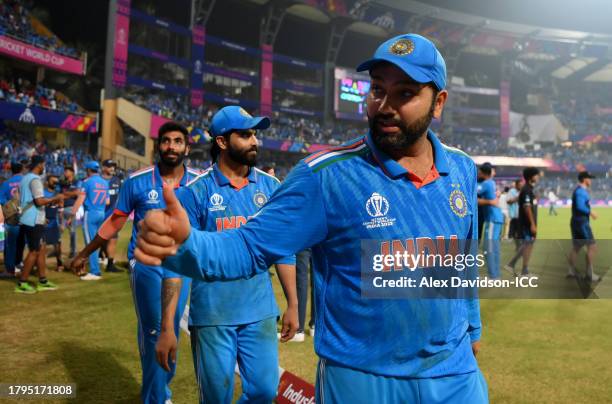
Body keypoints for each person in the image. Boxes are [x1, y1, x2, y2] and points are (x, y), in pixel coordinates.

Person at [135, 34, 487, 403]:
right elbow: (247, 247)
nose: (384, 106)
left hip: (455, 374)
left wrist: (472, 328)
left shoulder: (461, 168)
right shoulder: (326, 176)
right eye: (378, 89)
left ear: (439, 103)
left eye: (405, 93)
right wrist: (186, 244)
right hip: (362, 378)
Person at [156, 106, 299, 403]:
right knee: (215, 398)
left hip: (259, 311)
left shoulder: (272, 188)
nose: (255, 141)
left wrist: (293, 304)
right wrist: (168, 327)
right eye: (245, 135)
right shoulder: (195, 193)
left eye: (255, 135)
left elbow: (283, 251)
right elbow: (175, 265)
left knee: (263, 391)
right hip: (212, 314)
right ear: (222, 142)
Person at [71, 122, 199, 403]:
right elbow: (115, 221)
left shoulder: (199, 182)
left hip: (182, 266)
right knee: (155, 330)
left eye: (178, 141)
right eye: (166, 141)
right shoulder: (137, 181)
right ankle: (155, 398)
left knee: (171, 328)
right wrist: (84, 252)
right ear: (158, 146)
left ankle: (162, 391)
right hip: (146, 265)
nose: (171, 146)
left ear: (187, 148)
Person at [15, 155, 63, 294]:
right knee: (35, 251)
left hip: (29, 218)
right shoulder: (35, 180)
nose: (44, 167)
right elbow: (39, 201)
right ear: (39, 165)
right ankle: (22, 283)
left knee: (41, 249)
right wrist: (55, 198)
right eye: (43, 164)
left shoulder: (25, 178)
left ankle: (42, 280)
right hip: (33, 220)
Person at [71, 161, 109, 280]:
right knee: (96, 243)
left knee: (90, 244)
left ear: (88, 170)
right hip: (101, 213)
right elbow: (107, 201)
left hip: (91, 214)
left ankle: (95, 272)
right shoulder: (104, 182)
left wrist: (72, 214)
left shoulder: (87, 182)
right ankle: (94, 268)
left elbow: (80, 199)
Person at [504, 167, 540, 277]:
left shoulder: (528, 189)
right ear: (531, 177)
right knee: (527, 244)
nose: (538, 177)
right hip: (526, 224)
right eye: (536, 175)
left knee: (528, 245)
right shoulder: (527, 190)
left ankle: (523, 269)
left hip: (527, 223)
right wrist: (533, 224)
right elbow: (527, 208)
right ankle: (512, 265)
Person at [567, 171, 599, 281]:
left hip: (576, 222)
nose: (590, 180)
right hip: (582, 223)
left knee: (576, 247)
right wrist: (591, 212)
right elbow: (581, 207)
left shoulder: (578, 190)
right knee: (592, 246)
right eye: (589, 178)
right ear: (585, 179)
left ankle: (571, 271)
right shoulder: (581, 192)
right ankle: (590, 274)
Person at [478, 164, 503, 279]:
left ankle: (493, 276)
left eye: (480, 171)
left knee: (489, 247)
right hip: (496, 218)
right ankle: (495, 274)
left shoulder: (486, 184)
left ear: (483, 172)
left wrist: (488, 201)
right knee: (495, 247)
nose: (478, 173)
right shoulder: (492, 183)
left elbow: (471, 196)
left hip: (492, 218)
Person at [0, 161, 24, 275]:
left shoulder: (6, 183)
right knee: (22, 241)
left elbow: (1, 201)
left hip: (11, 216)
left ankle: (10, 269)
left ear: (11, 170)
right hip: (26, 215)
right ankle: (18, 263)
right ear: (22, 169)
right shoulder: (26, 181)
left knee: (10, 244)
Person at [101, 159, 122, 273]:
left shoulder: (117, 180)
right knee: (100, 239)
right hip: (99, 215)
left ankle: (110, 264)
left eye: (113, 166)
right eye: (109, 166)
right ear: (103, 167)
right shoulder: (98, 180)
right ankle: (101, 255)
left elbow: (121, 196)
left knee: (113, 239)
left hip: (112, 216)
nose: (112, 168)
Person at [59, 165, 81, 259]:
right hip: (63, 209)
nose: (65, 173)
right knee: (60, 230)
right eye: (65, 171)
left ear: (72, 172)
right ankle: (57, 250)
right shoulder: (63, 184)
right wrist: (61, 209)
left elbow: (78, 193)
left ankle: (73, 251)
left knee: (72, 232)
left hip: (72, 208)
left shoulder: (77, 182)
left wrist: (66, 194)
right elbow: (60, 196)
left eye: (67, 171)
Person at [43, 174, 64, 271]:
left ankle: (59, 263)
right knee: (42, 244)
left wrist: (61, 223)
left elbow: (60, 209)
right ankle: (42, 265)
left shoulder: (58, 193)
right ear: (47, 182)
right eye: (53, 181)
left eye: (56, 182)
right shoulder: (42, 193)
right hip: (44, 221)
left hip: (54, 222)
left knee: (57, 243)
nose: (55, 183)